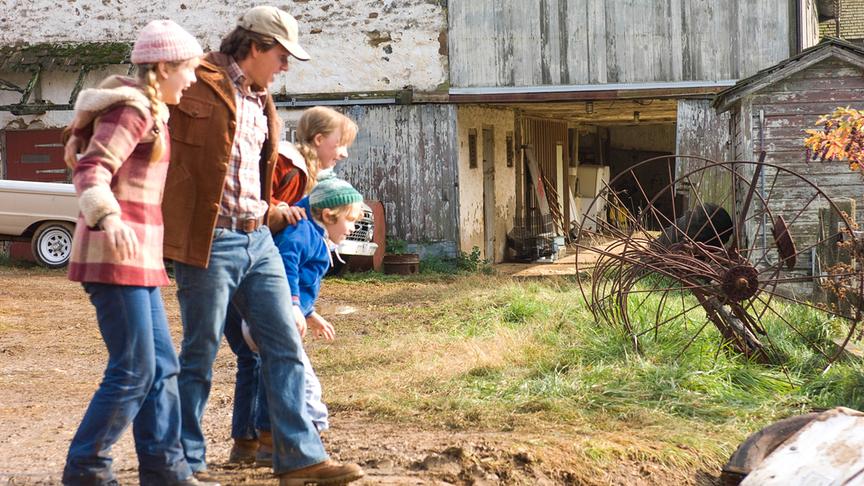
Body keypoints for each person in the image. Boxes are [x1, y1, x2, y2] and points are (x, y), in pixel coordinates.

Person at [160, 6, 364, 484]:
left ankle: (297, 459)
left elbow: (251, 175)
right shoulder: (196, 80)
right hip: (209, 241)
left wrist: (271, 212)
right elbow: (157, 130)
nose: (286, 66)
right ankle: (181, 462)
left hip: (259, 238)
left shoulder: (261, 98)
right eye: (281, 55)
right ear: (253, 46)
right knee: (200, 352)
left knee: (285, 342)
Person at [61, 20, 208, 486]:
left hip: (139, 258)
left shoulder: (152, 110)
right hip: (113, 254)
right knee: (134, 369)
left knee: (161, 366)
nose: (191, 79)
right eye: (187, 70)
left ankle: (165, 469)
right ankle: (87, 468)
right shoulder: (132, 111)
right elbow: (90, 171)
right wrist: (110, 217)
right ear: (163, 68)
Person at [224, 107, 358, 466]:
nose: (344, 152)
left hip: (251, 270)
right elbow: (258, 208)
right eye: (340, 143)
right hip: (249, 270)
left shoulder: (309, 176)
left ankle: (252, 442)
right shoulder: (290, 167)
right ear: (318, 140)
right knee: (268, 355)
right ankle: (272, 440)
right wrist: (295, 301)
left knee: (254, 358)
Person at [241, 170, 363, 465]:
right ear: (329, 215)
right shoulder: (301, 233)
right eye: (350, 220)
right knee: (304, 383)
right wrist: (294, 305)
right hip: (272, 315)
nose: (352, 228)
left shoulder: (314, 233)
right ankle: (312, 441)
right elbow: (285, 268)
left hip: (277, 314)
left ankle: (269, 446)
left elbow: (302, 281)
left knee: (276, 381)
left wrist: (309, 313)